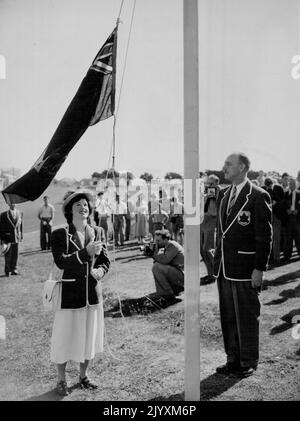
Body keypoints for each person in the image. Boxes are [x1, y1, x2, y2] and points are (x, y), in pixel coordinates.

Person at [213, 153, 272, 378]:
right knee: (228, 315)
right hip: (225, 267)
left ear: (242, 167)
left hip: (246, 267)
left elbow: (264, 236)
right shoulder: (224, 194)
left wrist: (259, 268)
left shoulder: (258, 196)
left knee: (246, 315)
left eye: (228, 164)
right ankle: (233, 358)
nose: (224, 167)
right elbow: (222, 233)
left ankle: (248, 360)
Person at [50, 190, 110, 396]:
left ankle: (83, 376)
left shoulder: (98, 231)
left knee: (89, 338)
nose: (83, 208)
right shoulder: (59, 233)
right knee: (64, 338)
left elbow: (105, 261)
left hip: (92, 296)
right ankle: (61, 380)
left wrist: (99, 271)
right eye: (78, 205)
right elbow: (61, 261)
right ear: (69, 210)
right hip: (69, 296)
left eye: (86, 205)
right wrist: (86, 253)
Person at [151, 229, 184, 303]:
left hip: (184, 276)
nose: (156, 243)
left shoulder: (172, 245)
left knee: (157, 267)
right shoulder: (165, 246)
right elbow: (160, 260)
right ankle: (163, 293)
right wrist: (153, 252)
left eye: (158, 241)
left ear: (165, 239)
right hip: (179, 274)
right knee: (156, 266)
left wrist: (152, 254)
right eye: (156, 240)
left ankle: (167, 295)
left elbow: (164, 261)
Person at [200, 174, 219, 285]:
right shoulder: (206, 191)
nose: (209, 185)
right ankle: (210, 273)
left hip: (212, 218)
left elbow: (218, 205)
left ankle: (217, 272)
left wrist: (213, 195)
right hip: (204, 219)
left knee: (208, 248)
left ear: (216, 183)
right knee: (202, 250)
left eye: (211, 183)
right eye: (208, 183)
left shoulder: (219, 191)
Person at [0, 203, 23, 276]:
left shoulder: (19, 213)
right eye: (11, 203)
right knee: (8, 254)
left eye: (14, 203)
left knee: (15, 254)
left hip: (16, 237)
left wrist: (21, 235)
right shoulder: (4, 215)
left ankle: (14, 269)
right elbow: (1, 228)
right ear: (9, 204)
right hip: (8, 238)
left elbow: (21, 225)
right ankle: (7, 270)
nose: (13, 204)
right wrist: (2, 239)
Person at [283, 178, 300, 261]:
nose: (291, 185)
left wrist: (298, 211)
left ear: (296, 184)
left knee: (298, 238)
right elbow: (282, 206)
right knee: (288, 238)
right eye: (290, 184)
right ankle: (287, 256)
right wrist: (286, 210)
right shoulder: (285, 194)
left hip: (297, 219)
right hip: (288, 219)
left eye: (293, 183)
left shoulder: (299, 194)